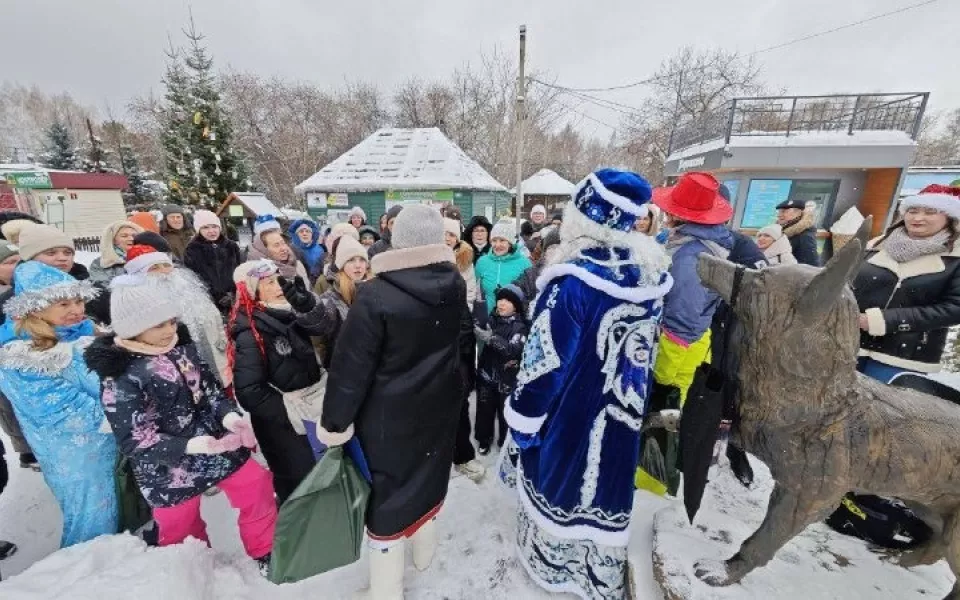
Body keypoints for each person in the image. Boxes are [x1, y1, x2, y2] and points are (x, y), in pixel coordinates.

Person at [505, 169, 671, 599]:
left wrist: (524, 419)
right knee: (607, 482)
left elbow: (545, 362)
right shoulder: (648, 272)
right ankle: (595, 572)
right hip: (623, 408)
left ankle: (558, 568)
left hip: (572, 413)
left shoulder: (574, 281)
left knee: (563, 483)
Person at [319, 204, 465, 598]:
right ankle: (423, 555)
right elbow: (456, 344)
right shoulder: (454, 283)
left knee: (389, 493)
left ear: (396, 240)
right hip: (439, 405)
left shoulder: (375, 295)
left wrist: (334, 422)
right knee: (428, 475)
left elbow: (351, 368)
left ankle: (387, 587)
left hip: (389, 416)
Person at [85, 276, 276, 573]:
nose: (170, 330)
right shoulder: (119, 374)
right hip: (167, 466)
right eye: (159, 325)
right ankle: (195, 571)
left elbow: (210, 391)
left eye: (172, 321)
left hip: (216, 443)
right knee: (180, 525)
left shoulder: (181, 347)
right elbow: (134, 439)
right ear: (132, 327)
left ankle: (266, 549)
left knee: (256, 485)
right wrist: (190, 445)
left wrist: (229, 416)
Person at [0, 262, 118, 547]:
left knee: (113, 505)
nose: (75, 309)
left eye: (78, 300)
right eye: (63, 303)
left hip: (109, 440)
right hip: (75, 451)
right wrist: (121, 417)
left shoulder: (82, 332)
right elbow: (56, 407)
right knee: (91, 516)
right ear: (34, 308)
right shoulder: (20, 353)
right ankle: (85, 571)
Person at [227, 260, 324, 504]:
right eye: (269, 282)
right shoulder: (250, 332)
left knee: (316, 475)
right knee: (298, 483)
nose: (279, 285)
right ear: (253, 291)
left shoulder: (287, 313)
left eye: (279, 278)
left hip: (308, 412)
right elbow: (249, 390)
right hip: (283, 426)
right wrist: (290, 413)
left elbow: (324, 329)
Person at [855, 184, 960, 383]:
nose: (917, 217)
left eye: (930, 212)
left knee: (882, 412)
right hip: (850, 345)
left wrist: (882, 321)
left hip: (903, 357)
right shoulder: (876, 246)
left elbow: (955, 308)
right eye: (913, 210)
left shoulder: (955, 257)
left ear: (949, 217)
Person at [125, 245, 230, 385]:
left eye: (166, 265)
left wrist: (223, 344)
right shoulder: (139, 308)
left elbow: (216, 319)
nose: (164, 272)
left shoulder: (192, 293)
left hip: (219, 364)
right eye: (154, 268)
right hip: (180, 377)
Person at [443, 218, 486, 483]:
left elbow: (469, 301)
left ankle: (463, 456)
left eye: (451, 234)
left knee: (459, 402)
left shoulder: (466, 262)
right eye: (443, 234)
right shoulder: (425, 265)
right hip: (430, 346)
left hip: (459, 337)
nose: (447, 238)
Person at [474, 285, 528, 455]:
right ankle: (484, 439)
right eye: (500, 299)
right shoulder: (492, 320)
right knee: (484, 412)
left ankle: (504, 443)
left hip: (507, 381)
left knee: (505, 415)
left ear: (516, 306)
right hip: (486, 376)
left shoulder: (520, 327)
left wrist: (492, 338)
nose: (501, 303)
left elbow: (512, 351)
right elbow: (480, 324)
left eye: (507, 301)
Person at [309, 236, 372, 369]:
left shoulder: (378, 290)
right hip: (343, 368)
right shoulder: (331, 298)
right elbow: (317, 330)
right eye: (350, 260)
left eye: (362, 259)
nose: (358, 265)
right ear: (341, 266)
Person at [0, 243, 36, 472]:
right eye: (8, 262)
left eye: (18, 261)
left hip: (30, 355)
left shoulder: (24, 289)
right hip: (6, 358)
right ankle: (25, 448)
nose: (15, 267)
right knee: (9, 406)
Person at [184, 210, 245, 315]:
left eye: (214, 226)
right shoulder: (192, 250)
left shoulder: (231, 246)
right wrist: (216, 296)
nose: (211, 231)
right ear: (198, 230)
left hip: (235, 298)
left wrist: (236, 292)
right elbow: (194, 279)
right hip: (210, 302)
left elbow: (240, 270)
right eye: (206, 227)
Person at [476, 221, 532, 314]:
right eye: (494, 240)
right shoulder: (482, 262)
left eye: (502, 240)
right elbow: (474, 290)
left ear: (511, 243)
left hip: (513, 322)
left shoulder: (524, 263)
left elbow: (530, 294)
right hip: (488, 319)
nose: (497, 245)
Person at [16, 223, 90, 281]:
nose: (62, 258)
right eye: (51, 253)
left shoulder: (96, 291)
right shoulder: (12, 299)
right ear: (30, 259)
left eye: (67, 253)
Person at [246, 215, 309, 282]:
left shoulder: (298, 265)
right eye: (276, 245)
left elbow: (309, 289)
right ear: (263, 248)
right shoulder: (255, 273)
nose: (283, 249)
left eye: (283, 243)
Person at [516, 226, 561, 305]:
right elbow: (518, 289)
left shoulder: (577, 276)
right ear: (545, 251)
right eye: (552, 248)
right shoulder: (532, 273)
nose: (557, 253)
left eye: (560, 249)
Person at [775, 198, 820, 266]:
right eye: (779, 212)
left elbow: (811, 266)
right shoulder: (782, 231)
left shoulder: (805, 236)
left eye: (784, 211)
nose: (779, 215)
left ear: (798, 213)